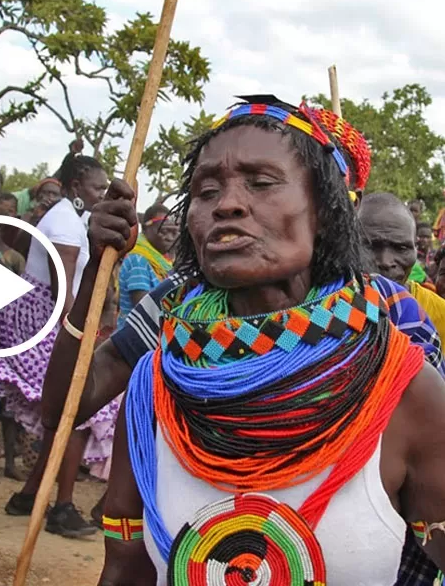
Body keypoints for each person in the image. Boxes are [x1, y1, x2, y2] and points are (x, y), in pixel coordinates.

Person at [38, 97, 445, 584]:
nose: (227, 203)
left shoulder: (398, 365)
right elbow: (64, 407)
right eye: (205, 190)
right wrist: (94, 275)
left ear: (328, 207)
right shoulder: (162, 358)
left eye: (262, 183)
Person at [0, 151, 110, 538]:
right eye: (98, 187)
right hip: (44, 322)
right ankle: (61, 507)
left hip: (46, 319)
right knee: (79, 410)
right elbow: (62, 292)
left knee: (69, 412)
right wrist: (78, 339)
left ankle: (28, 496)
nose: (102, 194)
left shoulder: (74, 218)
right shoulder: (63, 223)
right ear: (76, 186)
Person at [360, 193, 445, 339]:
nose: (385, 262)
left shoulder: (440, 314)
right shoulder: (326, 304)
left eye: (401, 248)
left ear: (415, 250)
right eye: (371, 246)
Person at [117, 204, 177, 328]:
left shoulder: (162, 262)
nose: (170, 238)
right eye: (164, 231)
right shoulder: (138, 260)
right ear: (145, 229)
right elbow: (144, 308)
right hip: (135, 336)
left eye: (174, 232)